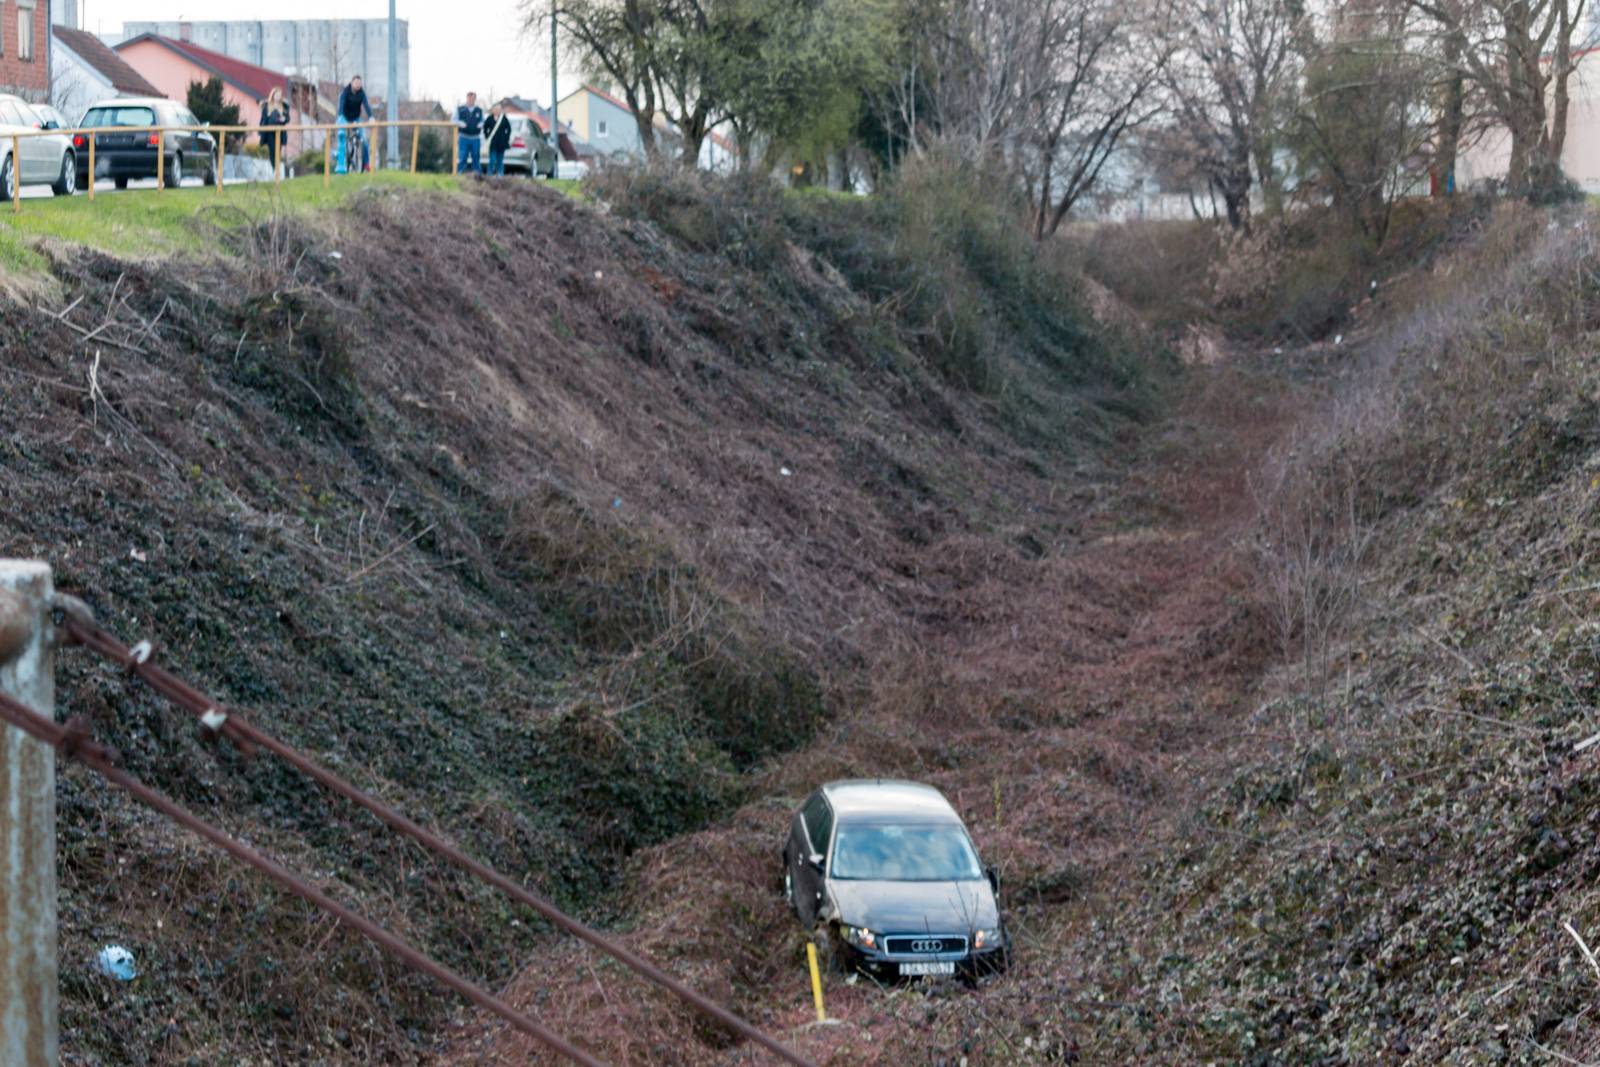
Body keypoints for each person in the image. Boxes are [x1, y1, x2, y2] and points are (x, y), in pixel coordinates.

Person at [336, 75, 373, 175]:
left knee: (364, 140)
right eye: (356, 83)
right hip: (345, 117)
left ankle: (366, 164)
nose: (357, 85)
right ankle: (341, 161)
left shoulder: (361, 93)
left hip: (356, 118)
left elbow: (366, 105)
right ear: (352, 83)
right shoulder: (345, 91)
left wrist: (371, 117)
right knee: (341, 135)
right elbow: (341, 105)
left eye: (359, 84)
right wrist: (342, 119)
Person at [259, 87, 290, 176]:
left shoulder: (284, 106)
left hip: (280, 131)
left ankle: (277, 170)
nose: (278, 96)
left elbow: (287, 119)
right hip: (269, 132)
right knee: (272, 151)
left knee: (278, 151)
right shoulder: (267, 105)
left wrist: (284, 119)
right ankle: (274, 170)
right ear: (273, 95)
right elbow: (263, 119)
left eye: (279, 95)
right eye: (276, 94)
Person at [456, 91, 484, 175]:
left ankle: (477, 175)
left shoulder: (479, 110)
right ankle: (460, 173)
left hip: (475, 138)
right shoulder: (460, 109)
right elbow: (453, 120)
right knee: (462, 156)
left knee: (476, 156)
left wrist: (481, 124)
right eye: (469, 98)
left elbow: (483, 121)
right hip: (463, 137)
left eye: (473, 98)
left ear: (475, 99)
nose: (471, 100)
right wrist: (459, 123)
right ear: (467, 98)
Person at [483, 103, 512, 177]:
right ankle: (489, 174)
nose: (497, 110)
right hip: (493, 142)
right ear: (493, 110)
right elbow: (485, 128)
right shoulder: (489, 118)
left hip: (501, 142)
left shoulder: (503, 118)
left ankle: (500, 175)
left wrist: (506, 138)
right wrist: (487, 136)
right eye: (495, 109)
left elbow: (508, 129)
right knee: (492, 159)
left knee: (500, 160)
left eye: (498, 109)